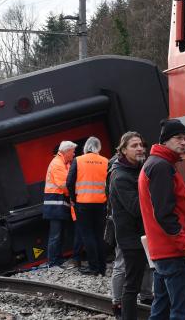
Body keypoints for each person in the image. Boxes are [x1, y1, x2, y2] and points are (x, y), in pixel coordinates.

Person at [138, 119, 185, 320]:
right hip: (174, 252)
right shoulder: (161, 167)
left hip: (162, 251)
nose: (183, 143)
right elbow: (165, 215)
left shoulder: (155, 164)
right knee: (183, 313)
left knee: (161, 311)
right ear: (165, 140)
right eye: (178, 138)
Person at [108, 131, 152, 320]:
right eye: (134, 146)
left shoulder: (139, 168)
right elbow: (136, 208)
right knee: (131, 282)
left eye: (141, 144)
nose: (140, 148)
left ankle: (148, 301)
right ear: (124, 150)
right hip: (131, 237)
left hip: (143, 233)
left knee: (148, 271)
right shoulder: (120, 176)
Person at [67, 136, 109, 276]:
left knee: (88, 235)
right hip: (101, 204)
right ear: (98, 147)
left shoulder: (78, 160)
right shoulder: (105, 161)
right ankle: (102, 268)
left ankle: (94, 268)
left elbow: (69, 182)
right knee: (99, 235)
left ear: (86, 147)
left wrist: (73, 199)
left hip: (83, 204)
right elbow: (109, 184)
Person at [42, 140, 77, 267]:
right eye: (72, 152)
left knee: (59, 234)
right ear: (66, 151)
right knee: (56, 234)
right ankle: (53, 262)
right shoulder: (57, 164)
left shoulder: (63, 163)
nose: (73, 155)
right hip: (55, 203)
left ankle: (58, 258)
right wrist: (75, 194)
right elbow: (64, 186)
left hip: (57, 203)